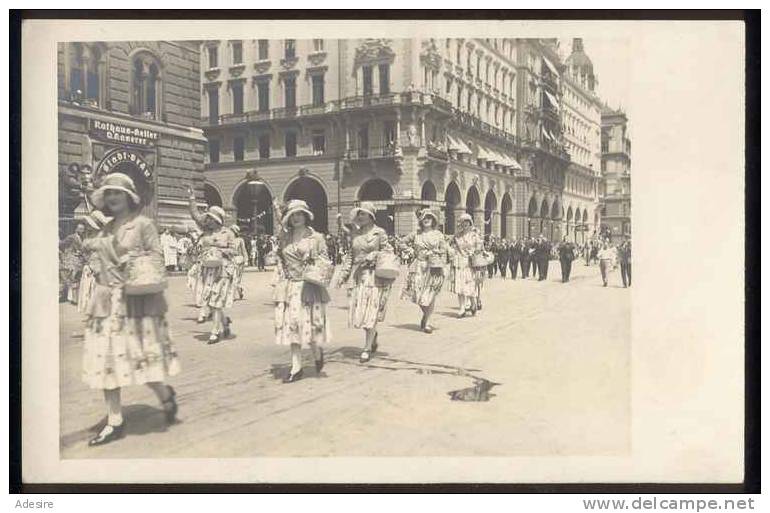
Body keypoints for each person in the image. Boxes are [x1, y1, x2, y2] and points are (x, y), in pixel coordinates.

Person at [81, 173, 179, 446]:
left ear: (129, 197)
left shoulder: (143, 224)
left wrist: (127, 258)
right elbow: (95, 259)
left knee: (142, 360)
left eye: (117, 193)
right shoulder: (104, 227)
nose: (112, 198)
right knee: (106, 361)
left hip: (135, 301)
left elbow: (158, 259)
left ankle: (165, 395)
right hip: (105, 302)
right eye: (108, 194)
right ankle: (115, 421)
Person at [274, 199, 331, 383]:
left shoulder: (317, 238)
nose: (296, 218)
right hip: (291, 287)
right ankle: (296, 367)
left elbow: (326, 262)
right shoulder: (285, 237)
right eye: (292, 215)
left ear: (306, 216)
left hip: (309, 286)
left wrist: (312, 260)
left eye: (299, 214)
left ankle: (316, 352)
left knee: (311, 328)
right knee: (293, 326)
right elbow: (280, 258)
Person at [337, 202, 394, 363]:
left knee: (371, 312)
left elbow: (388, 251)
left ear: (371, 217)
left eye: (363, 214)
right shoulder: (355, 234)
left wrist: (375, 254)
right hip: (358, 277)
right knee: (361, 313)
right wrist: (343, 274)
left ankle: (367, 347)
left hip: (374, 277)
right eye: (358, 214)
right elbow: (350, 256)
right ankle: (373, 334)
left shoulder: (379, 233)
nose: (360, 217)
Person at [187, 187, 236, 343]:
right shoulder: (205, 232)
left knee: (216, 300)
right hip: (207, 269)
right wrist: (192, 199)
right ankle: (224, 323)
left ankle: (215, 332)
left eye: (211, 219)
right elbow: (195, 216)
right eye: (208, 219)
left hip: (222, 270)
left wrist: (220, 248)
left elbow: (234, 251)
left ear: (218, 220)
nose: (208, 221)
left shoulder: (227, 233)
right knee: (211, 301)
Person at [401, 209, 448, 333]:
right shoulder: (416, 234)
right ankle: (426, 315)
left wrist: (441, 263)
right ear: (421, 221)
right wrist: (410, 251)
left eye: (429, 217)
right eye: (424, 218)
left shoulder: (438, 234)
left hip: (433, 267)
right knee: (418, 295)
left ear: (433, 220)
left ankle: (427, 321)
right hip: (418, 267)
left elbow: (444, 250)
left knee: (430, 294)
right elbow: (402, 242)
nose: (426, 219)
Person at [450, 213, 484, 317]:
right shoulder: (457, 236)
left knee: (470, 285)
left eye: (467, 222)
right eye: (462, 222)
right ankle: (461, 308)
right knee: (459, 286)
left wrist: (474, 252)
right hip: (459, 262)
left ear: (470, 223)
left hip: (471, 263)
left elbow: (480, 249)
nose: (464, 224)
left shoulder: (475, 236)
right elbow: (451, 247)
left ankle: (473, 302)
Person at [77, 211, 111, 315]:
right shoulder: (91, 237)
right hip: (91, 270)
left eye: (90, 225)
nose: (88, 227)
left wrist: (94, 268)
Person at [59, 222, 87, 304]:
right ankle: (74, 299)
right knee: (74, 279)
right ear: (76, 229)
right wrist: (68, 254)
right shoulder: (71, 237)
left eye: (83, 229)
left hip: (80, 261)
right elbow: (61, 245)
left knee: (77, 279)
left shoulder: (83, 238)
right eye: (80, 229)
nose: (82, 230)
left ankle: (75, 298)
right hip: (73, 261)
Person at [231, 225, 249, 300]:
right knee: (231, 278)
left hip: (238, 260)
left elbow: (243, 250)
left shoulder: (240, 240)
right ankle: (238, 290)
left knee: (236, 277)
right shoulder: (229, 240)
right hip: (230, 260)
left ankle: (234, 294)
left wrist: (246, 260)